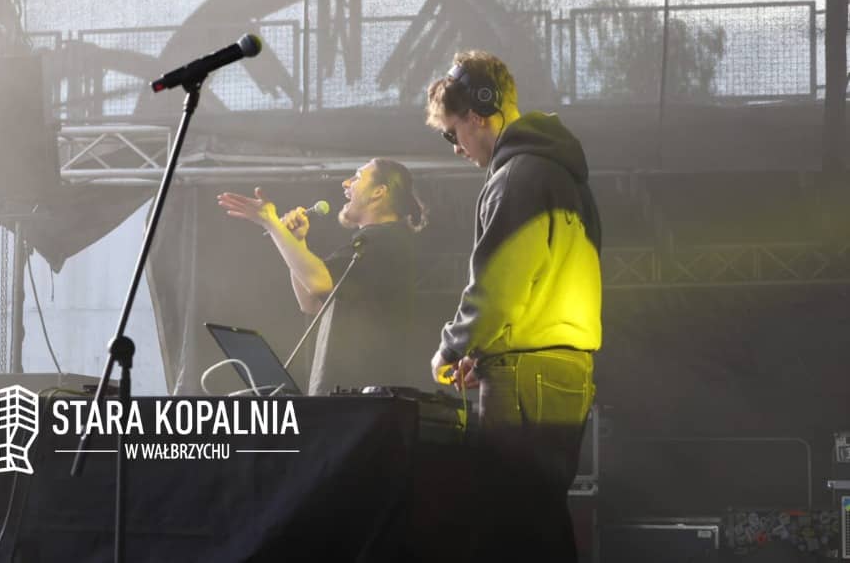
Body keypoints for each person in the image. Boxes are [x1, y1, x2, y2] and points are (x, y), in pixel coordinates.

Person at [425, 50, 602, 560]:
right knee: (539, 522)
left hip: (526, 377)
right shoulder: (561, 172)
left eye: (452, 133)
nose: (456, 148)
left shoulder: (517, 176)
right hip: (565, 371)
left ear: (478, 114)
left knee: (509, 526)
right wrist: (485, 351)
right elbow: (537, 284)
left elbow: (498, 287)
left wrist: (450, 352)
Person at [217, 158, 427, 395]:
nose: (346, 183)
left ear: (378, 192)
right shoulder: (369, 242)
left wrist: (271, 222)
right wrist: (297, 241)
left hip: (363, 399)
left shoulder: (384, 241)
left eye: (357, 176)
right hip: (344, 396)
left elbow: (318, 282)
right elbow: (311, 303)